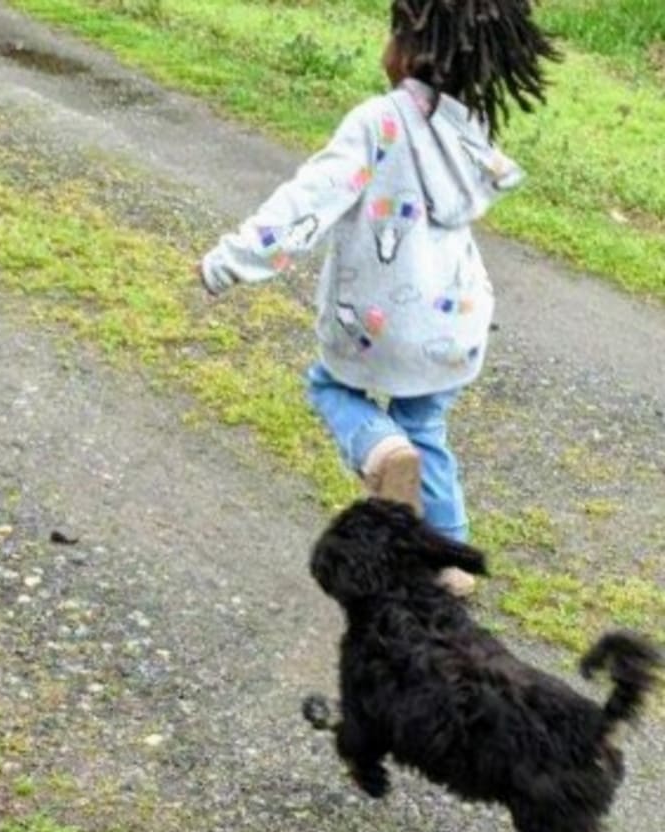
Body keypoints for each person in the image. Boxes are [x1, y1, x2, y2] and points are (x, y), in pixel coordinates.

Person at [199, 0, 559, 595]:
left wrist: (229, 260)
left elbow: (307, 202)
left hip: (379, 322)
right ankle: (450, 561)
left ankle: (382, 451)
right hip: (456, 324)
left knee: (330, 387)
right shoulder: (472, 129)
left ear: (412, 50)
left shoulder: (378, 122)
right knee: (426, 424)